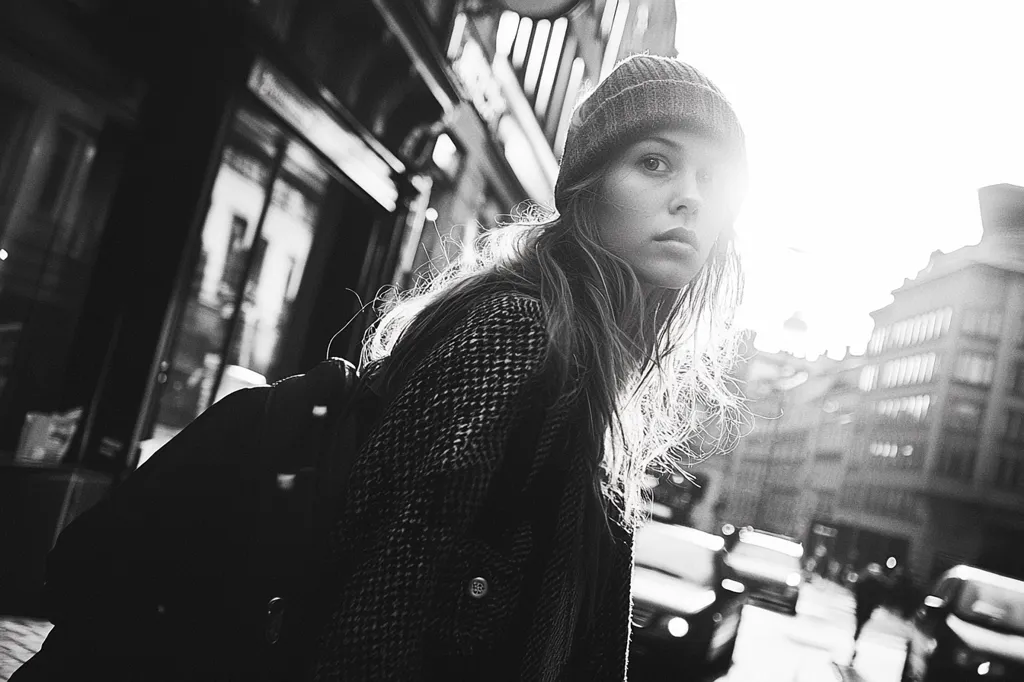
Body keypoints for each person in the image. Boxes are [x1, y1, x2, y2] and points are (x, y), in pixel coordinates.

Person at [307, 53, 749, 681]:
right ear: (585, 188)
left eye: (712, 179)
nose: (690, 198)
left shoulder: (582, 356)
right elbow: (377, 621)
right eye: (656, 162)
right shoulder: (523, 338)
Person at [851, 563, 890, 661]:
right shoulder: (878, 583)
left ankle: (857, 634)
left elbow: (857, 589)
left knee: (860, 622)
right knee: (861, 622)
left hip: (863, 606)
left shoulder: (865, 581)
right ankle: (857, 634)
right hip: (867, 607)